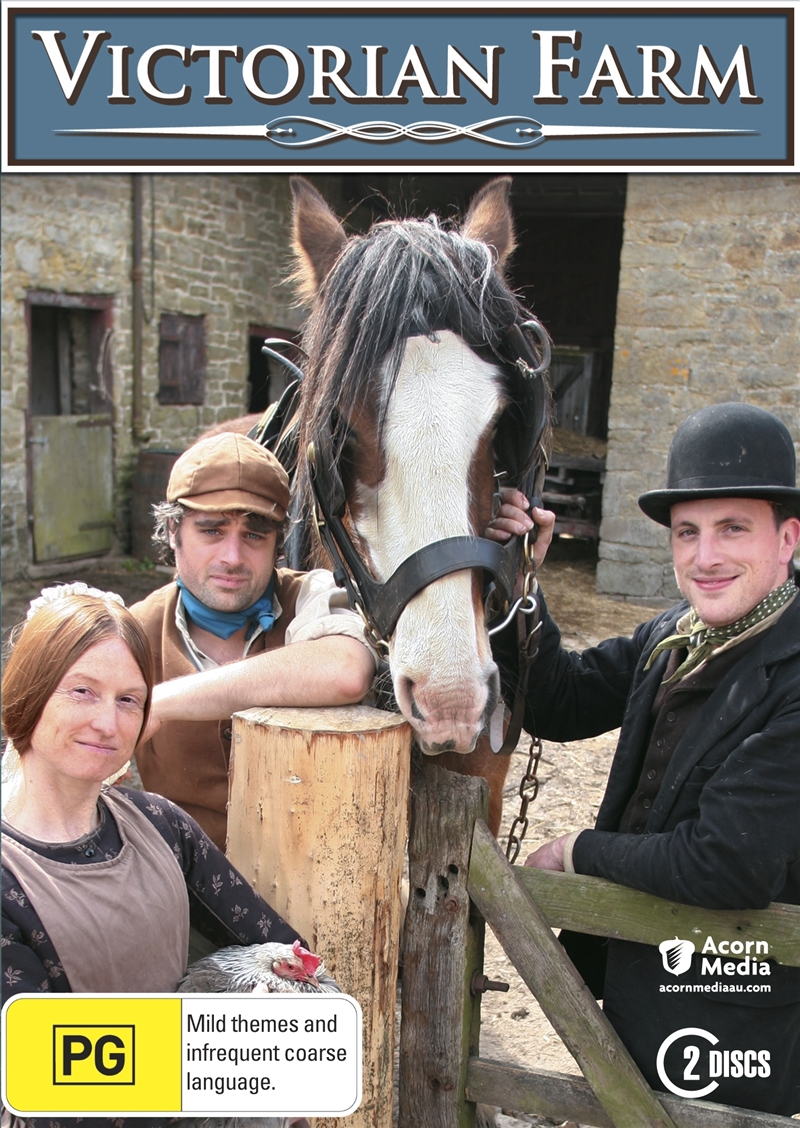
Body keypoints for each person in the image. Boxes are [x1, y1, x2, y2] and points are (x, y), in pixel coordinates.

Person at [491, 402, 800, 1115]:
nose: (705, 556)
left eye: (732, 529)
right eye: (687, 532)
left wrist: (580, 852)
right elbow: (560, 701)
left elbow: (726, 862)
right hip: (639, 976)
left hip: (736, 1002)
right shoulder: (675, 636)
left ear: (786, 539)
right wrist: (519, 586)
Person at [1, 583, 313, 1128]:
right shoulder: (10, 874)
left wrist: (280, 994)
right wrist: (231, 1051)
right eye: (82, 691)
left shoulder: (160, 825)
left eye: (129, 699)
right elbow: (44, 1076)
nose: (108, 722)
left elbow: (281, 947)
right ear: (29, 692)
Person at [131, 432, 379, 850]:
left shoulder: (311, 597)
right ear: (173, 530)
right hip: (182, 889)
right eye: (211, 531)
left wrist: (158, 701)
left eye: (254, 535)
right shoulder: (134, 630)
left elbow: (346, 670)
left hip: (313, 885)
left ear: (277, 540)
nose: (232, 557)